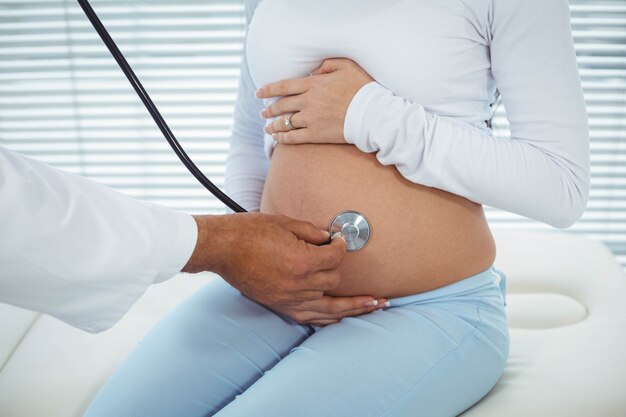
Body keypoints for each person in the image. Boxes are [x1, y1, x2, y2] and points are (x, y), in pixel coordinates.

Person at [84, 0, 590, 416]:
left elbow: (559, 187)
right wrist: (252, 259)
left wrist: (367, 114)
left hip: (431, 308)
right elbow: (250, 133)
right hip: (273, 293)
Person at [0, 144, 387, 334]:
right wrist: (238, 247)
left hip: (408, 305)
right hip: (264, 295)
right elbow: (252, 137)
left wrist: (364, 112)